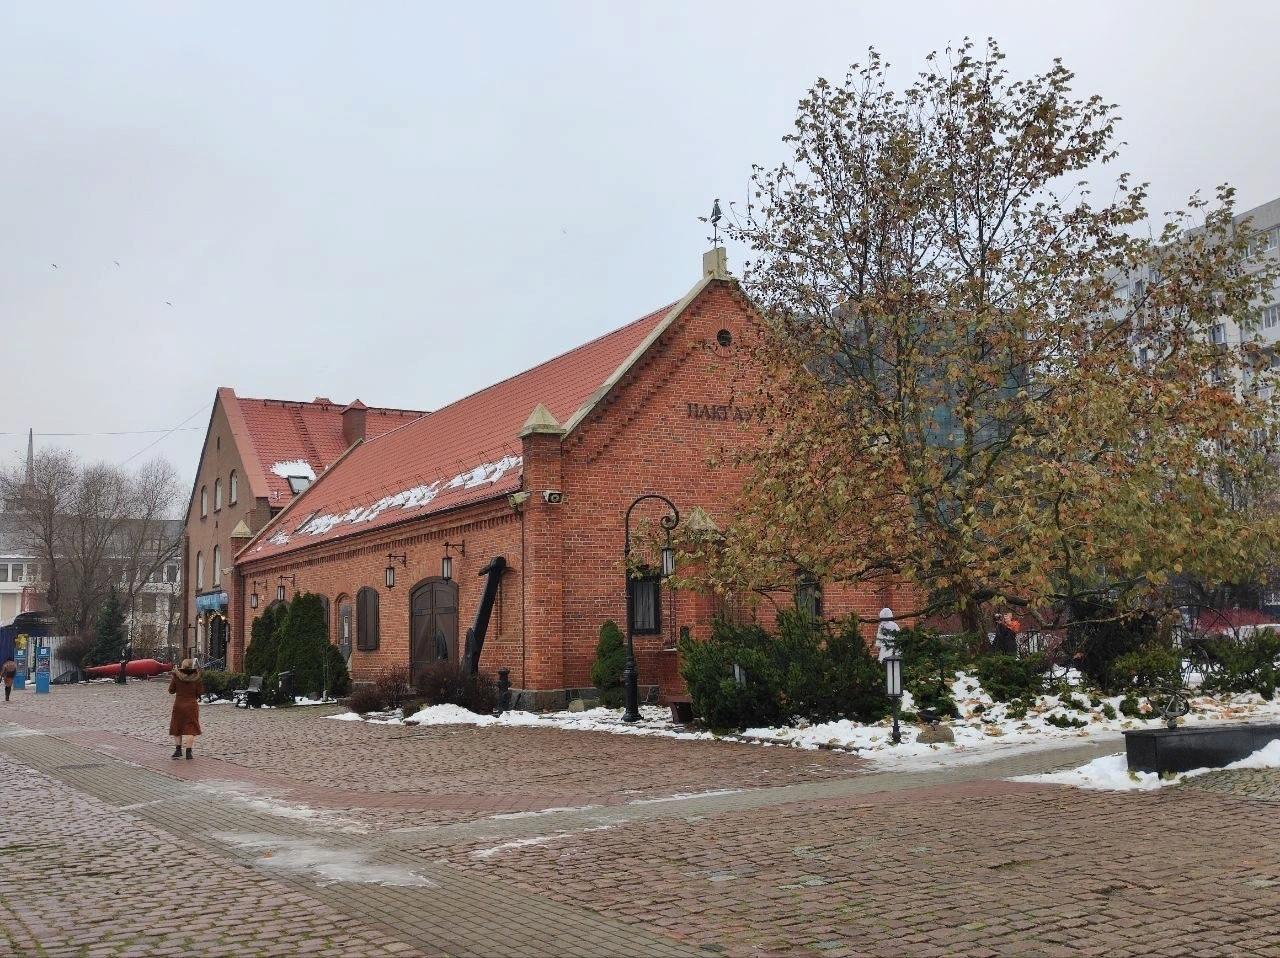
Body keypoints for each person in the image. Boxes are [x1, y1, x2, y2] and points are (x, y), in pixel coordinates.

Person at [168, 658, 203, 759]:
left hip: (179, 705)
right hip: (191, 705)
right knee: (191, 728)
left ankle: (178, 750)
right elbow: (200, 692)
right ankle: (188, 752)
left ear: (182, 666)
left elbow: (171, 690)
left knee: (177, 726)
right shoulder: (196, 677)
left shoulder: (176, 676)